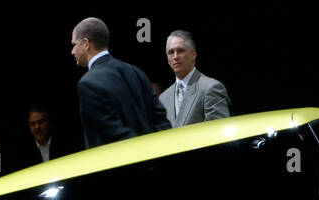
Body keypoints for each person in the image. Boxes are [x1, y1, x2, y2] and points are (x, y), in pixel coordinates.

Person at [70, 17, 170, 148]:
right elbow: (162, 121)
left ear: (86, 43)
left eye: (73, 45)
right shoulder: (136, 72)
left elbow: (110, 135)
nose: (72, 52)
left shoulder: (87, 83)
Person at [158, 30, 230, 127]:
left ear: (193, 54)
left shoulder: (211, 88)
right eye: (171, 52)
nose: (175, 57)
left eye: (180, 51)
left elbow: (218, 134)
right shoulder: (163, 98)